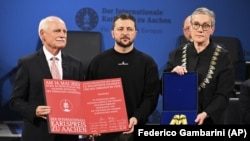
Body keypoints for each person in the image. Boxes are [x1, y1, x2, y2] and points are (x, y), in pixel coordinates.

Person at [9, 16, 85, 141]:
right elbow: (15, 101)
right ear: (42, 34)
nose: (62, 35)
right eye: (57, 31)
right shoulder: (28, 63)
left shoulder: (76, 64)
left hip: (68, 136)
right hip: (38, 134)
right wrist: (34, 110)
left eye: (64, 31)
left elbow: (82, 100)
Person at [86, 13, 160, 141]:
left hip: (136, 127)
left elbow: (151, 98)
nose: (125, 33)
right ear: (112, 33)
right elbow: (88, 97)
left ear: (135, 33)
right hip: (104, 131)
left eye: (129, 29)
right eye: (120, 29)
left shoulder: (148, 63)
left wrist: (136, 118)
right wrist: (92, 124)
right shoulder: (98, 62)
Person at [163, 7, 234, 125]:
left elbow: (224, 94)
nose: (200, 29)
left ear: (212, 29)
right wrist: (172, 77)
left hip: (210, 121)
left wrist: (206, 113)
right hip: (180, 120)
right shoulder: (176, 54)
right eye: (196, 24)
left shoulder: (223, 57)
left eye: (205, 25)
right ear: (190, 28)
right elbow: (163, 89)